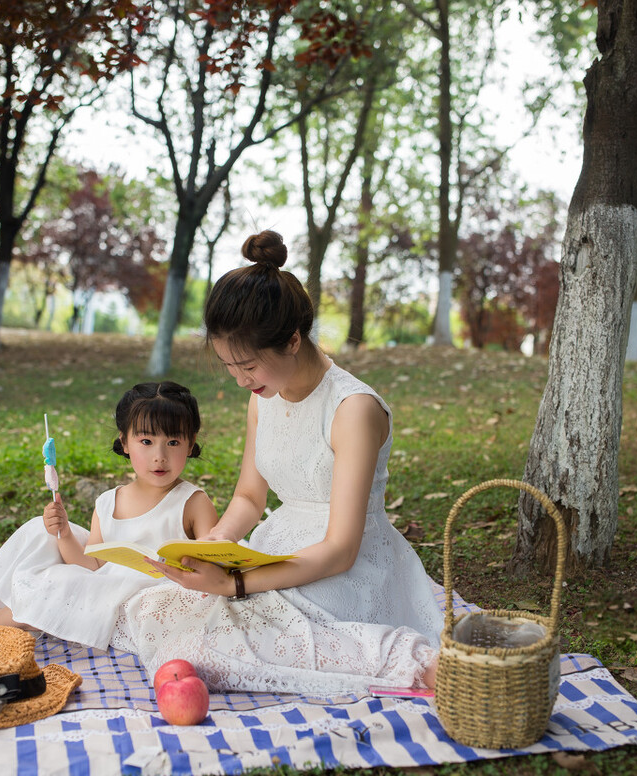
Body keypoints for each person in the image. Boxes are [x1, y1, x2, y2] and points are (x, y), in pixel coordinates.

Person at [108, 230, 441, 694]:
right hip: (275, 543)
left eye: (247, 365)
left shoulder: (352, 409)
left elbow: (340, 548)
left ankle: (407, 659)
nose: (241, 380)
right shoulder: (263, 396)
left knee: (240, 640)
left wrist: (235, 586)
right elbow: (249, 495)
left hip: (343, 562)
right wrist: (215, 545)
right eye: (228, 366)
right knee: (155, 609)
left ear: (291, 340)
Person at [0, 381, 218, 649]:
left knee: (70, 586)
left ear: (190, 444)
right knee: (57, 569)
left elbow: (215, 561)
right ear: (125, 442)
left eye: (173, 443)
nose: (159, 456)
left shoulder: (192, 502)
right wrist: (64, 533)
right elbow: (91, 564)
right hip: (104, 583)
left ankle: (0, 620)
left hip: (154, 594)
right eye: (146, 442)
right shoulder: (108, 502)